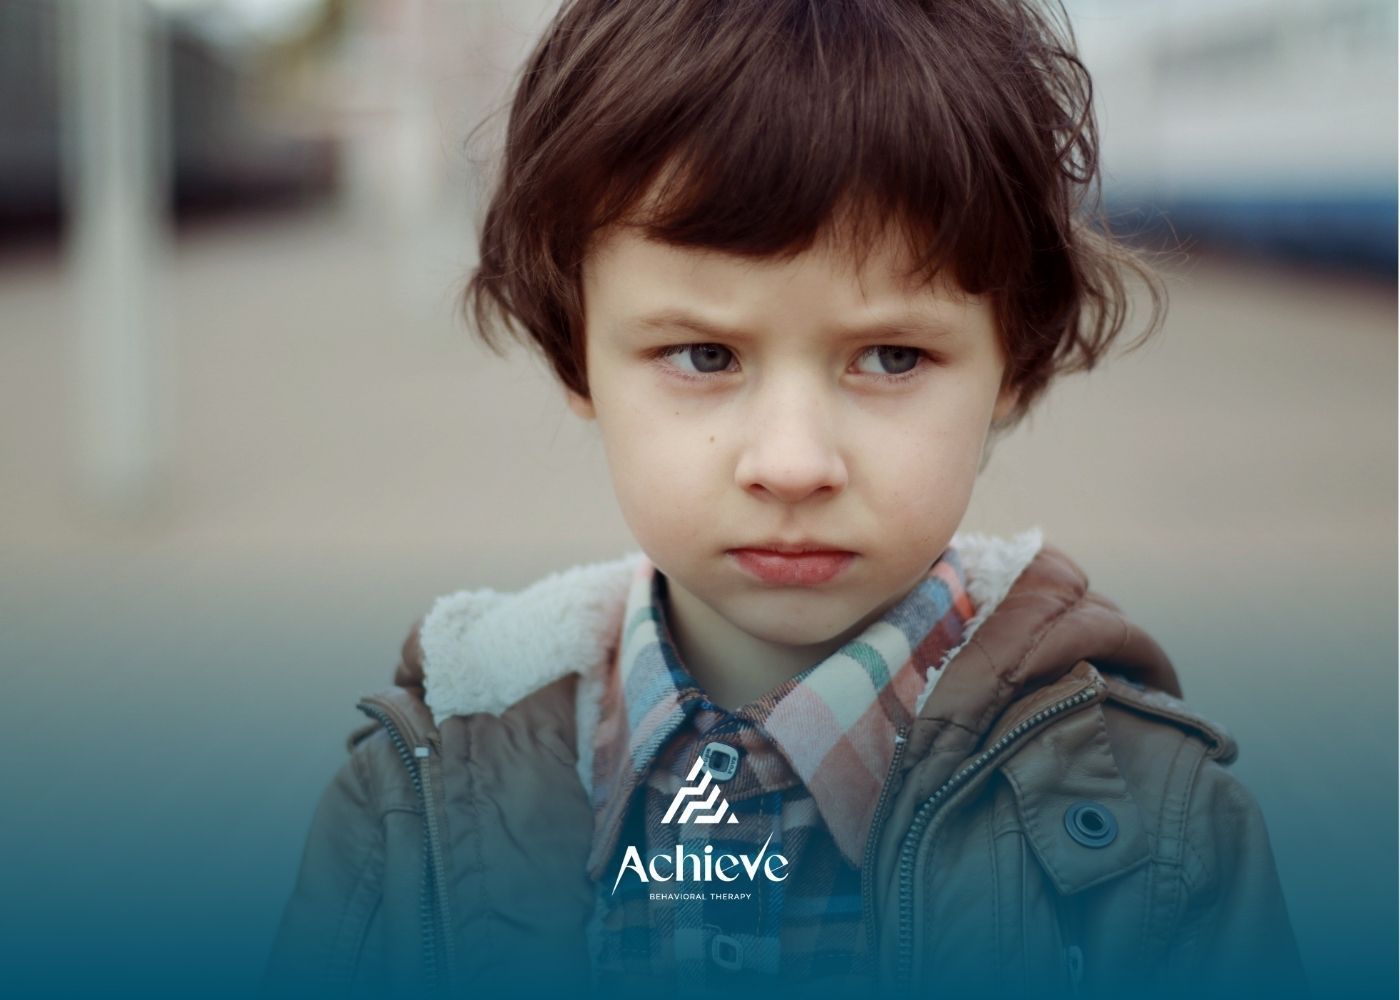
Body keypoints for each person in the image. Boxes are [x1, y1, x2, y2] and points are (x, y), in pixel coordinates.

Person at [262, 1, 1309, 998]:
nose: (793, 461)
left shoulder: (1151, 830)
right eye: (704, 354)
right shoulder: (420, 800)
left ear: (1015, 367)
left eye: (891, 356)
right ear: (575, 358)